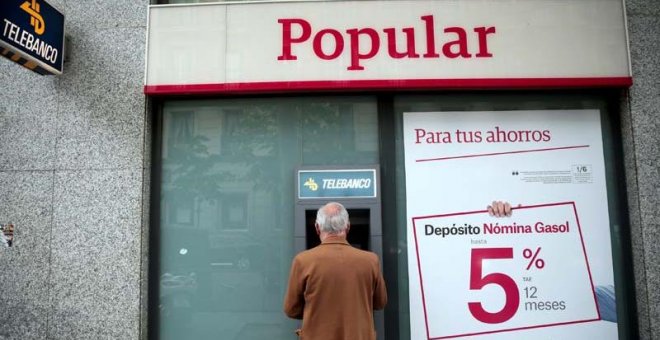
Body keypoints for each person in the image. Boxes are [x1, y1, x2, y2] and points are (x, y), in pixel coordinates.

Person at [283, 202, 387, 340]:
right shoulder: (371, 261)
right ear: (348, 227)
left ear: (317, 227)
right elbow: (380, 302)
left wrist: (317, 309)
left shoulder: (303, 261)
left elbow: (291, 309)